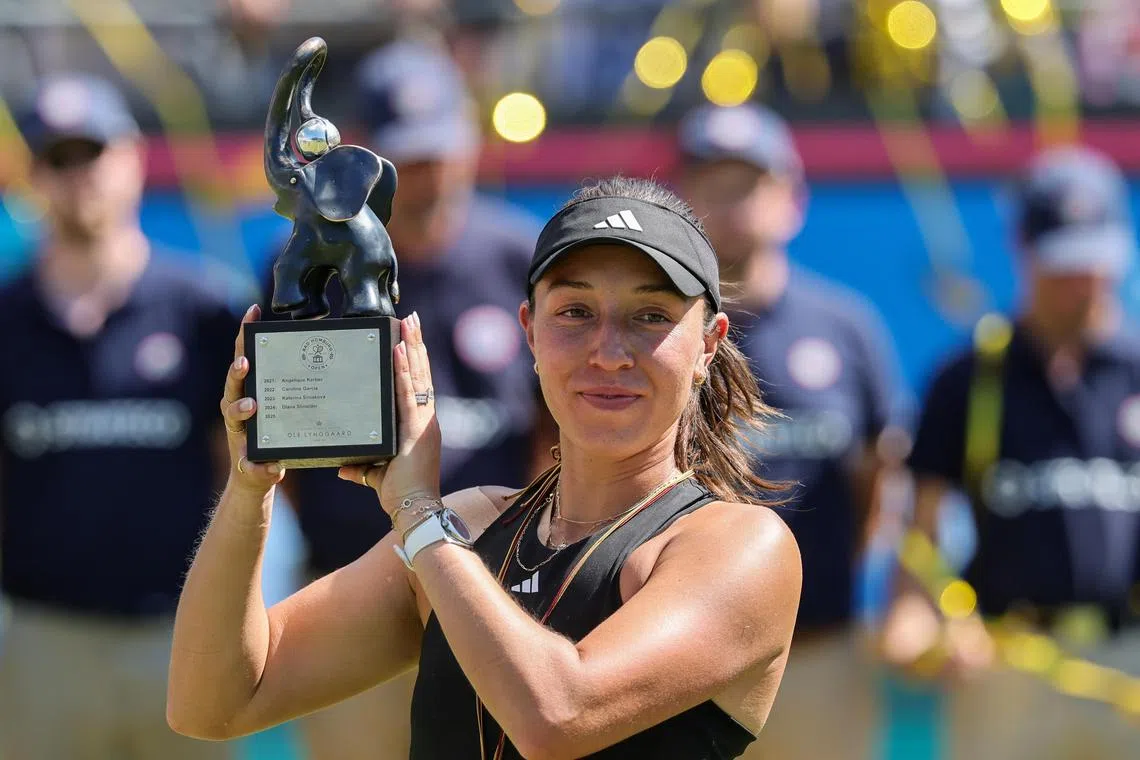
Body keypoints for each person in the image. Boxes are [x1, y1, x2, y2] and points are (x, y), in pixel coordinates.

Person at [167, 176, 803, 758]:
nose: (609, 353)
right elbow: (215, 702)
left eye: (651, 316)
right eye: (575, 313)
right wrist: (251, 485)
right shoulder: (470, 527)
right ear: (530, 332)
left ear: (709, 344)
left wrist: (418, 514)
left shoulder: (739, 546)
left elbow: (557, 717)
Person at [256, 37, 549, 760]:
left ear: (471, 144)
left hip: (499, 596)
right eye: (408, 160)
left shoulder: (523, 259)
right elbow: (285, 426)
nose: (428, 176)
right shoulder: (313, 260)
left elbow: (557, 430)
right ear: (369, 161)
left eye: (439, 152)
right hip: (350, 594)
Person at [0, 74, 239, 760]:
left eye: (93, 153)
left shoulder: (204, 311)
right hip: (46, 638)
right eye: (58, 159)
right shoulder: (8, 319)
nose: (80, 178)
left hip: (180, 639)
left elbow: (241, 479)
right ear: (34, 176)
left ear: (134, 157)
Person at [881, 145, 1140, 759]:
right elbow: (919, 537)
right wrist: (929, 624)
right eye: (1061, 266)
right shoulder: (968, 378)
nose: (1081, 282)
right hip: (1005, 663)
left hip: (1129, 661)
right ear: (1022, 251)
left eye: (1092, 262)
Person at [675, 102, 908, 760]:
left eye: (748, 184)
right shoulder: (654, 330)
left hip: (818, 653)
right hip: (674, 657)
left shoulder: (847, 328)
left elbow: (876, 486)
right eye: (712, 184)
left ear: (792, 199)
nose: (730, 203)